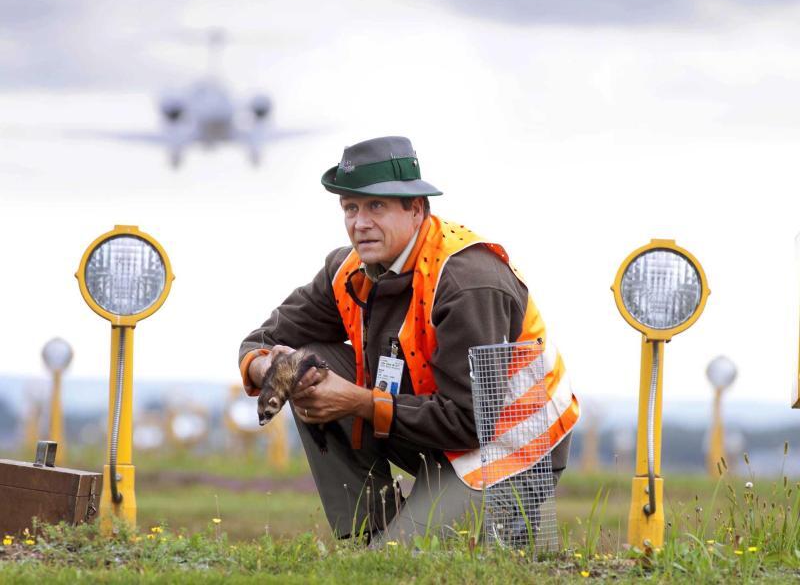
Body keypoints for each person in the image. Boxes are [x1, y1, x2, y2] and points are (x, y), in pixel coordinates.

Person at [239, 135, 579, 544]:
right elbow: (261, 339)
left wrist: (355, 401)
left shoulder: (467, 283)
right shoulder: (347, 269)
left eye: (375, 206)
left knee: (399, 566)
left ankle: (491, 525)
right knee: (307, 363)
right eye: (350, 208)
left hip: (507, 447)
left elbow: (471, 423)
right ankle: (369, 534)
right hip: (428, 425)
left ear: (416, 209)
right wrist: (274, 370)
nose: (359, 223)